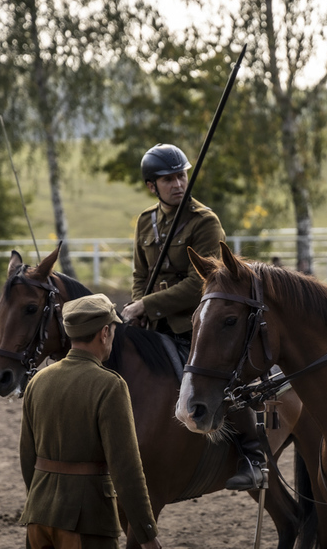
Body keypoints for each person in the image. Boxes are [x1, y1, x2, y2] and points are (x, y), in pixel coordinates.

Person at [120, 143, 265, 491]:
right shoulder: (145, 221)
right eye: (168, 179)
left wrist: (147, 305)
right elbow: (141, 274)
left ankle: (253, 454)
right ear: (152, 186)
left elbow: (198, 282)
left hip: (197, 322)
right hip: (155, 324)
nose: (178, 184)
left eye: (181, 175)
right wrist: (140, 306)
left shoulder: (204, 221)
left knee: (220, 374)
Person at [19, 294, 163, 549]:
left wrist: (41, 504)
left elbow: (27, 457)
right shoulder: (110, 385)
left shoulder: (37, 381)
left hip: (38, 518)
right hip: (87, 521)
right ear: (104, 332)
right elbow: (126, 468)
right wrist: (147, 534)